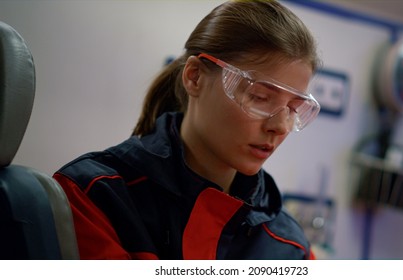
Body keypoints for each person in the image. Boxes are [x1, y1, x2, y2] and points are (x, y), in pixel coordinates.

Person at [53, 0, 321, 260]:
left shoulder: (289, 244)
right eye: (260, 97)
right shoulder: (95, 197)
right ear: (194, 77)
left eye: (294, 109)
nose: (280, 126)